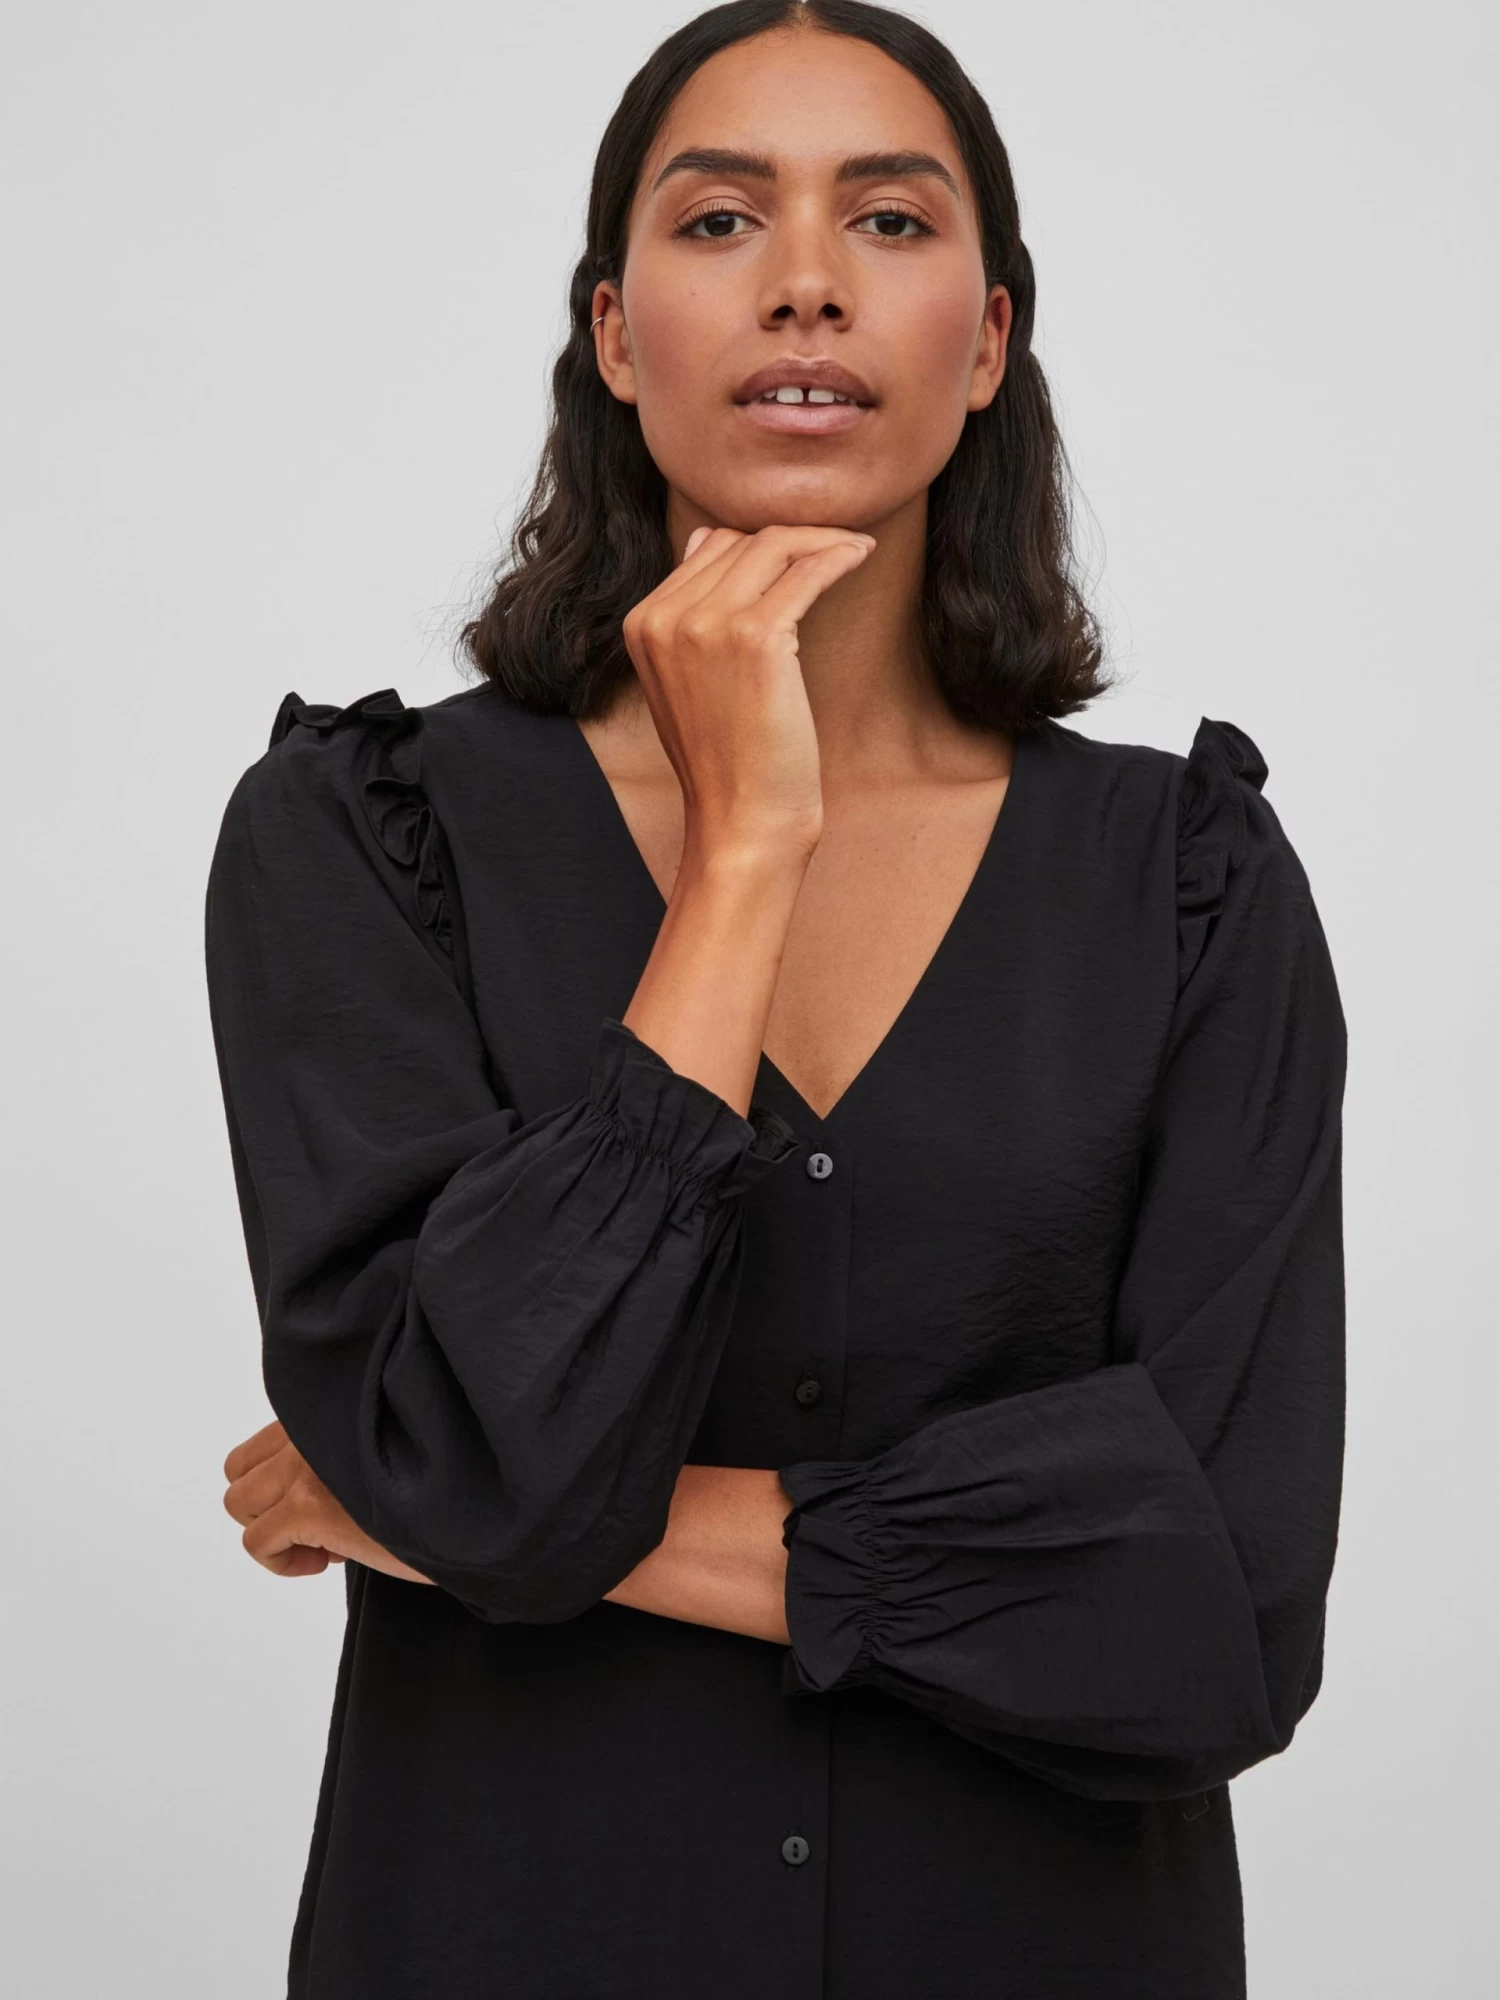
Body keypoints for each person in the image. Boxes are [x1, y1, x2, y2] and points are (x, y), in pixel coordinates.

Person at [208, 3, 1347, 1994]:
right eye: (721, 219)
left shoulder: (1191, 887)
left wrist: (438, 1502)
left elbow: (1217, 1614)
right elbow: (495, 1456)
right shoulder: (365, 843)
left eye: (890, 222)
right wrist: (741, 858)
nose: (808, 281)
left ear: (986, 340)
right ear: (616, 333)